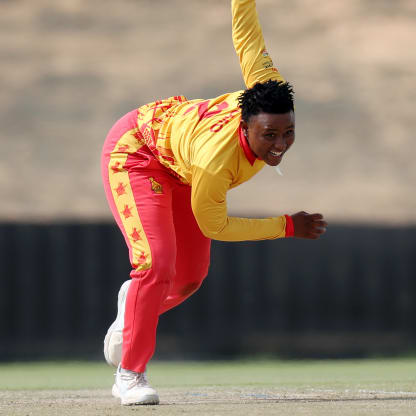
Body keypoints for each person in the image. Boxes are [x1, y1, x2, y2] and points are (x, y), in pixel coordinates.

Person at [101, 0, 327, 406]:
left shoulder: (265, 88)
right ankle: (130, 376)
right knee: (156, 263)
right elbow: (215, 226)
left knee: (188, 278)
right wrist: (286, 226)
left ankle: (132, 308)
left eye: (288, 132)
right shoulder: (216, 162)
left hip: (181, 163)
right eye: (268, 136)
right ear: (245, 125)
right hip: (137, 155)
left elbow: (247, 35)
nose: (279, 146)